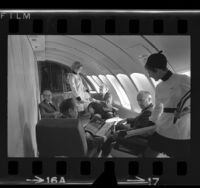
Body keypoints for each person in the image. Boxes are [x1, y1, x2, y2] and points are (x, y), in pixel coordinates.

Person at [144, 51, 190, 158]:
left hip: (181, 127)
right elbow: (158, 107)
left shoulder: (182, 79)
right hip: (164, 125)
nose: (149, 75)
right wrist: (151, 122)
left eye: (150, 72)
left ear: (158, 70)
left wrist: (187, 110)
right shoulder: (159, 87)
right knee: (149, 153)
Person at [100, 91, 154, 157]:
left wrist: (122, 132)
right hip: (135, 132)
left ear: (149, 99)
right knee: (118, 125)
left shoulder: (148, 112)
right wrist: (126, 119)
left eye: (141, 100)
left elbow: (139, 130)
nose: (139, 103)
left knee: (110, 137)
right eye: (138, 100)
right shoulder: (147, 109)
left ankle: (103, 155)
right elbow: (136, 120)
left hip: (136, 136)